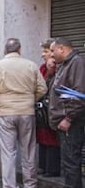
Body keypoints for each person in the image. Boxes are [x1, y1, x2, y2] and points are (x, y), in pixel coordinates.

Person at [0, 38, 47, 188]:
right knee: (29, 150)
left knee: (8, 152)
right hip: (27, 112)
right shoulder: (31, 65)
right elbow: (42, 88)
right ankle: (30, 186)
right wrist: (30, 100)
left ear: (5, 51)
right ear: (19, 50)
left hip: (5, 112)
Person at [47, 37, 85, 188]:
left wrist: (68, 118)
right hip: (62, 121)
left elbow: (78, 95)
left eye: (53, 51)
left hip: (71, 122)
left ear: (62, 49)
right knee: (67, 161)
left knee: (71, 161)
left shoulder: (77, 63)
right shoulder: (64, 65)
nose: (52, 55)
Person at [36, 39, 60, 178]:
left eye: (45, 51)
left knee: (52, 139)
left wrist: (51, 71)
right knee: (42, 136)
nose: (43, 55)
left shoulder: (59, 67)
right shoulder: (42, 68)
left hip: (52, 109)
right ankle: (43, 166)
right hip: (42, 110)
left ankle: (52, 168)